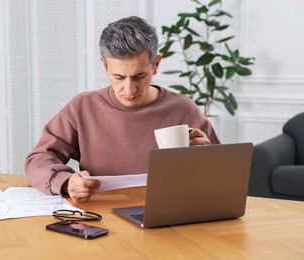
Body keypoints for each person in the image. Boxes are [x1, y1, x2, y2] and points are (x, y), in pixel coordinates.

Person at [25, 16, 220, 203]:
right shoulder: (82, 108)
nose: (129, 90)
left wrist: (205, 158)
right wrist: (66, 182)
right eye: (119, 77)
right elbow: (39, 160)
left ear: (156, 64)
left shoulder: (184, 110)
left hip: (170, 214)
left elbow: (223, 174)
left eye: (139, 76)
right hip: (101, 218)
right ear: (104, 65)